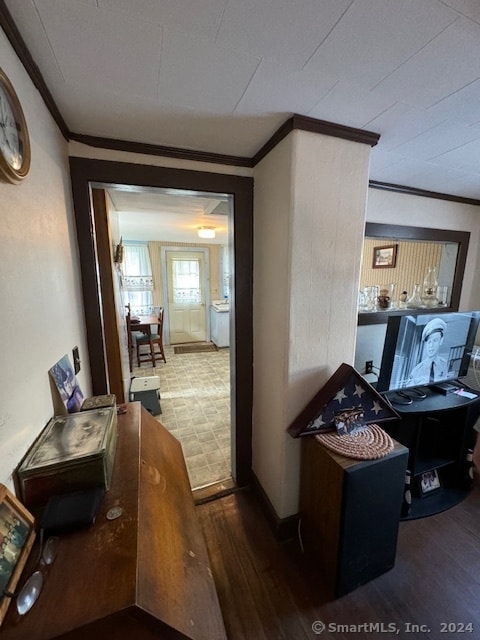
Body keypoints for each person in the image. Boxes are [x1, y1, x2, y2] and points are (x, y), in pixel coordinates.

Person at [407, 318, 450, 386]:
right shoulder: (416, 371)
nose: (431, 345)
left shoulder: (445, 365)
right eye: (429, 342)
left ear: (441, 340)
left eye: (435, 340)